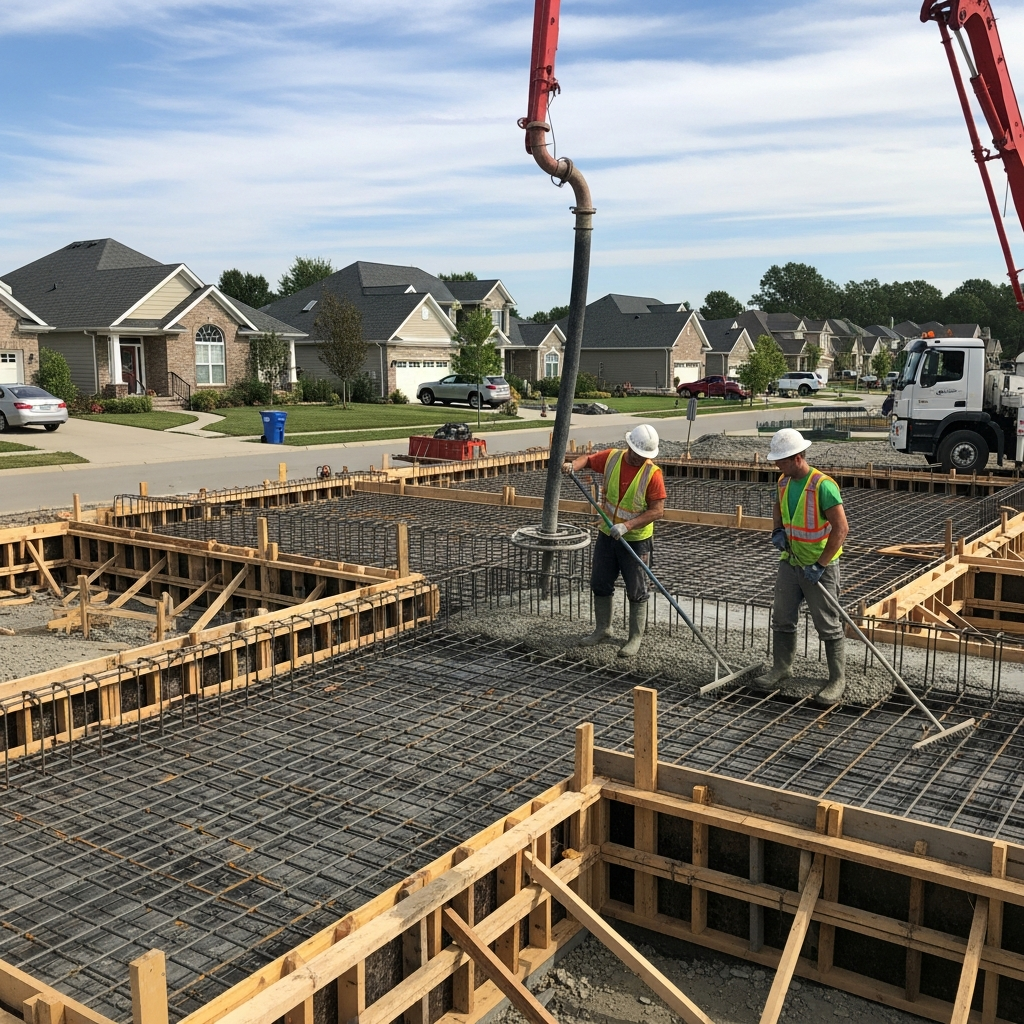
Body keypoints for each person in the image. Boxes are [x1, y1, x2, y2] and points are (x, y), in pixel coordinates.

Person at [754, 427, 850, 702]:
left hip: (820, 567)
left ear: (797, 457)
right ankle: (782, 668)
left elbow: (841, 529)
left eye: (781, 461)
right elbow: (778, 508)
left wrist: (820, 564)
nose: (777, 465)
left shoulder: (823, 485)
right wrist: (777, 530)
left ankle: (837, 678)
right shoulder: (783, 482)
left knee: (828, 624)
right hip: (791, 561)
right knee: (782, 617)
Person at [563, 424, 666, 656]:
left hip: (636, 540)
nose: (641, 459)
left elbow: (658, 510)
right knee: (600, 581)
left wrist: (627, 525)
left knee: (637, 588)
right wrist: (573, 466)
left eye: (645, 456)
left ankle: (635, 637)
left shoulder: (652, 474)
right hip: (608, 534)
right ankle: (603, 629)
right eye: (638, 454)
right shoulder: (612, 458)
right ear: (630, 447)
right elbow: (588, 460)